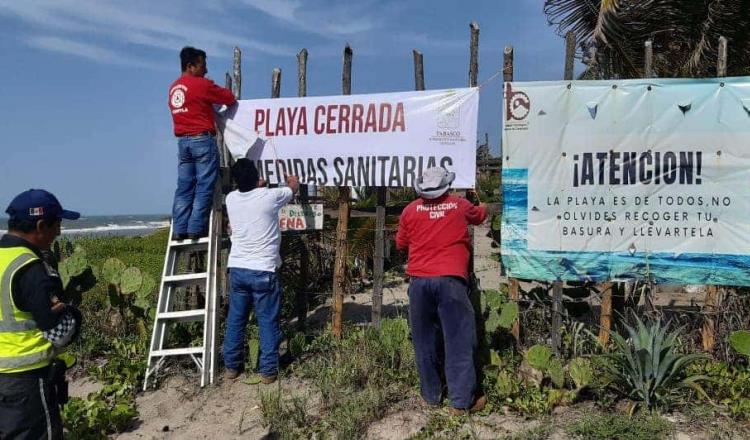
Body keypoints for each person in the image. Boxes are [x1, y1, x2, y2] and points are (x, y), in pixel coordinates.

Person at [396, 167, 488, 414]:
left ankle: (431, 396)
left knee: (424, 340)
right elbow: (480, 216)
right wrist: (483, 202)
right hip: (451, 280)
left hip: (419, 282)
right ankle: (460, 402)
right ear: (446, 186)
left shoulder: (409, 211)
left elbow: (400, 243)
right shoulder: (459, 205)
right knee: (458, 339)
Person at [0, 189, 83, 439]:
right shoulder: (29, 268)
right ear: (40, 225)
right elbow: (59, 333)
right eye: (57, 224)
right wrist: (74, 314)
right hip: (25, 382)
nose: (58, 232)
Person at [222, 159, 299, 383]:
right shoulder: (269, 196)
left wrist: (257, 185)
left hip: (237, 268)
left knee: (236, 320)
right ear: (257, 177)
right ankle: (267, 371)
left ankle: (231, 367)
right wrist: (292, 181)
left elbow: (249, 195)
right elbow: (292, 188)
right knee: (267, 321)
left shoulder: (231, 199)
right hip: (263, 270)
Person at [168, 46, 237, 240]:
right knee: (204, 185)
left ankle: (179, 229)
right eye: (202, 65)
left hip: (183, 142)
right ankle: (195, 228)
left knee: (184, 187)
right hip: (202, 139)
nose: (205, 70)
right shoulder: (201, 85)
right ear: (191, 66)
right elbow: (229, 98)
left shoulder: (174, 88)